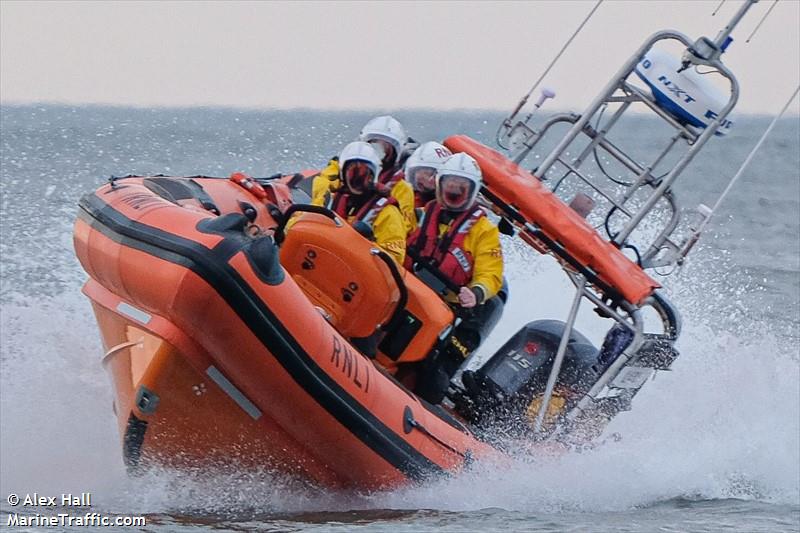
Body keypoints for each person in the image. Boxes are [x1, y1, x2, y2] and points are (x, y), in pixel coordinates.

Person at [405, 153, 506, 404]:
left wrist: (476, 292)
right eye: (449, 188)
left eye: (460, 190)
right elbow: (396, 236)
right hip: (407, 289)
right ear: (439, 186)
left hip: (448, 309)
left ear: (472, 192)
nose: (453, 195)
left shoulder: (484, 232)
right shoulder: (420, 215)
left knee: (435, 371)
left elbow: (491, 273)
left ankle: (425, 404)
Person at [311, 115, 416, 234]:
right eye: (373, 144)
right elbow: (319, 200)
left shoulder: (401, 189)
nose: (378, 152)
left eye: (385, 148)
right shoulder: (340, 173)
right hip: (331, 234)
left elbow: (403, 228)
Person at [327, 141, 407, 264]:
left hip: (360, 273)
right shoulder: (331, 201)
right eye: (352, 171)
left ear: (372, 175)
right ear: (343, 174)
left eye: (363, 172)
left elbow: (395, 258)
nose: (357, 178)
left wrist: (369, 244)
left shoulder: (388, 213)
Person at [404, 141, 453, 210]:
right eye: (417, 171)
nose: (421, 178)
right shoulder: (405, 196)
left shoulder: (449, 208)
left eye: (427, 173)